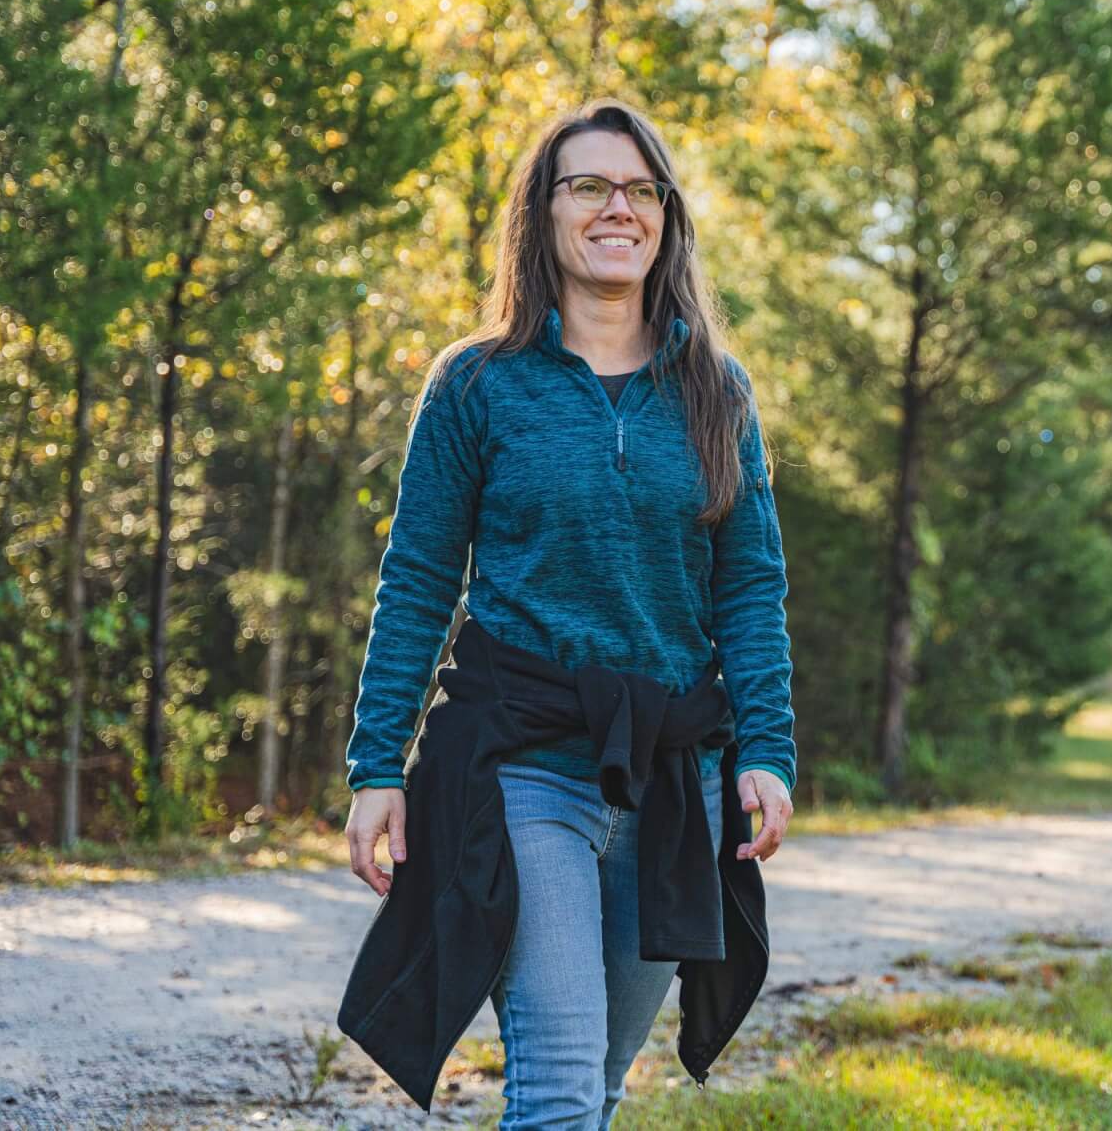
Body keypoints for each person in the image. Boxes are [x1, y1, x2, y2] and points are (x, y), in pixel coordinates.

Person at [341, 97, 798, 1128]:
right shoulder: (477, 383)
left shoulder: (716, 392)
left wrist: (765, 748)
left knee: (593, 1082)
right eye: (587, 185)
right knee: (553, 1082)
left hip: (673, 775)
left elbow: (749, 586)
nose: (616, 208)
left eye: (641, 189)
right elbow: (417, 578)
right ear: (542, 213)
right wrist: (377, 766)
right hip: (519, 759)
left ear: (667, 217)